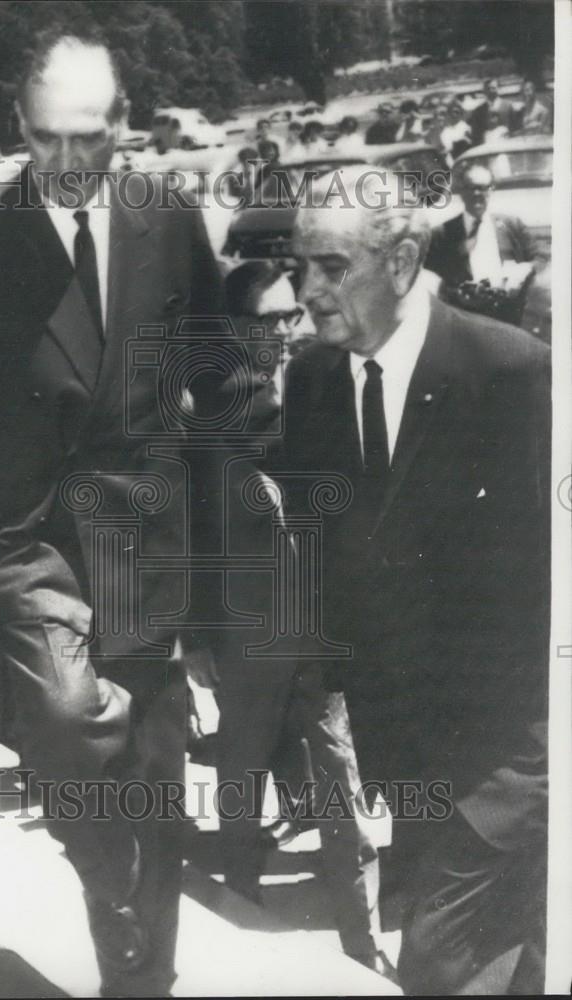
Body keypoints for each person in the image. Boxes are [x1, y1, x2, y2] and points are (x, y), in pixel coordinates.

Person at [0, 28, 223, 998]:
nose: (69, 162)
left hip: (149, 543)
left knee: (156, 784)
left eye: (89, 137)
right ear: (17, 131)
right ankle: (115, 911)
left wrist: (223, 594)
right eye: (47, 139)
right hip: (26, 543)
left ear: (122, 124)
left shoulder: (170, 223)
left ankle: (140, 975)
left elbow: (220, 395)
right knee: (75, 723)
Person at [286, 165, 549, 994]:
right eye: (302, 266)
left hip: (506, 758)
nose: (307, 290)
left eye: (332, 268)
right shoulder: (315, 382)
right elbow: (326, 553)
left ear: (400, 263)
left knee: (435, 965)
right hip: (405, 758)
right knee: (508, 961)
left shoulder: (510, 374)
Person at [210, 259, 389, 977]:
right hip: (250, 628)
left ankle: (362, 939)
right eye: (266, 320)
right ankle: (235, 893)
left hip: (321, 623)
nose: (284, 331)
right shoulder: (213, 407)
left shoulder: (328, 383)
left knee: (339, 774)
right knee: (241, 766)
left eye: (291, 316)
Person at [425, 164, 540, 290]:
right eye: (470, 188)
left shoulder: (512, 224)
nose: (476, 194)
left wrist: (525, 269)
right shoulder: (441, 234)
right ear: (460, 191)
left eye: (482, 188)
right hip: (463, 308)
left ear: (491, 189)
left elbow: (540, 257)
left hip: (509, 303)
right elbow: (427, 275)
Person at [468, 78, 511, 146]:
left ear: (499, 89)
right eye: (488, 88)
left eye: (493, 88)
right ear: (484, 91)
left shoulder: (508, 107)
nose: (491, 91)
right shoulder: (478, 112)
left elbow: (515, 130)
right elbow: (476, 137)